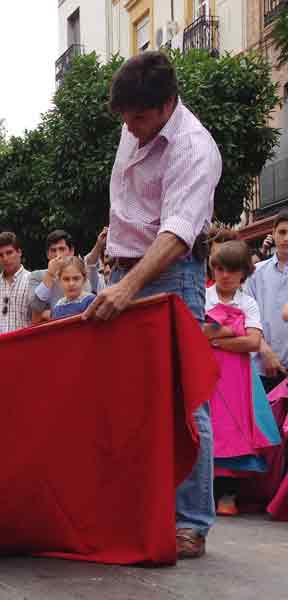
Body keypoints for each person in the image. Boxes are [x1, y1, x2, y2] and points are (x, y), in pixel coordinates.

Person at [83, 51, 222, 559]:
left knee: (186, 401)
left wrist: (127, 287)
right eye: (124, 118)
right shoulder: (134, 121)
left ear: (167, 104)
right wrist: (113, 275)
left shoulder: (194, 148)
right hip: (125, 270)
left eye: (139, 118)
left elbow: (177, 235)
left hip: (171, 276)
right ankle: (138, 506)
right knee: (128, 399)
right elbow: (127, 208)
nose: (131, 128)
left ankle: (190, 523)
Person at [204, 241, 276, 517]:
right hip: (206, 374)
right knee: (205, 430)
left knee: (234, 435)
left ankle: (227, 495)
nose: (225, 275)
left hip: (237, 380)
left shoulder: (248, 302)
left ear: (243, 273)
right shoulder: (203, 296)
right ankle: (203, 495)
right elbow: (199, 333)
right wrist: (235, 332)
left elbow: (254, 342)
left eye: (232, 270)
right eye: (220, 268)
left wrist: (218, 338)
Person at [245, 210, 288, 393]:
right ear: (273, 232)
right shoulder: (255, 273)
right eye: (282, 232)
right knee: (266, 421)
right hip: (264, 367)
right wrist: (265, 352)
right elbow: (248, 318)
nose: (286, 238)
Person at [0, 232, 33, 333]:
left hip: (25, 344)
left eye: (9, 252)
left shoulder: (33, 281)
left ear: (19, 252)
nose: (5, 258)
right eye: (0, 255)